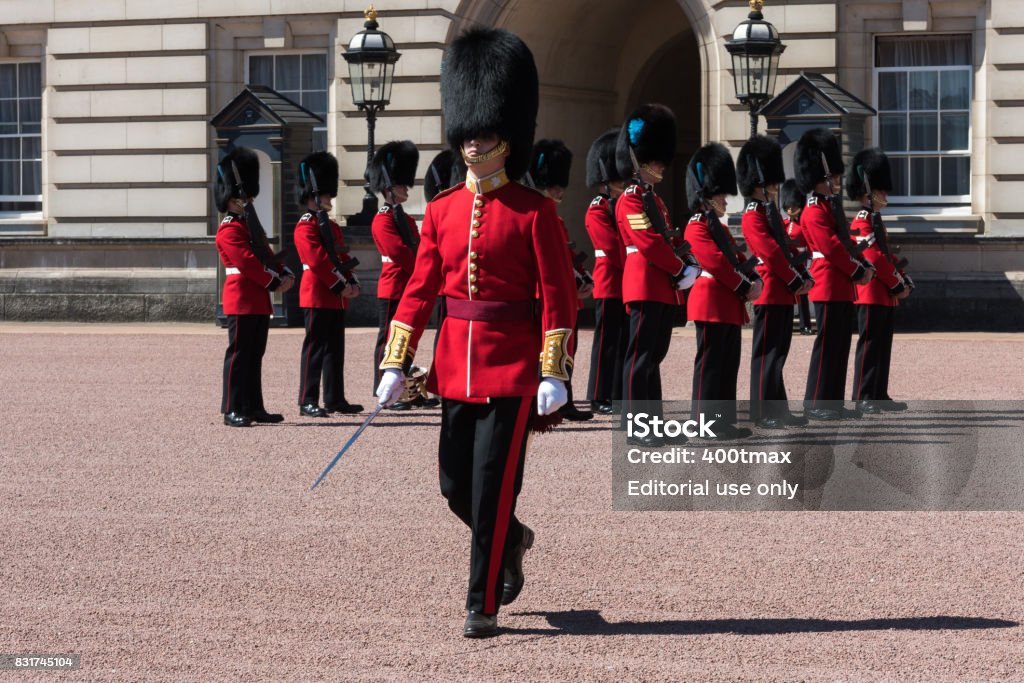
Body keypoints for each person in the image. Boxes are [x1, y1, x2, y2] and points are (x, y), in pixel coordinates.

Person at [374, 27, 577, 639]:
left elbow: (558, 295)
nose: (473, 142)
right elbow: (419, 289)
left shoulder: (534, 211)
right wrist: (395, 360)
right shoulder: (440, 211)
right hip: (454, 366)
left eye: (483, 132)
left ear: (504, 137)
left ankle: (481, 604)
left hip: (515, 368)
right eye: (467, 131)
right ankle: (514, 537)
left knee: (490, 488)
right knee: (454, 484)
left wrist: (553, 369)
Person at [615, 104, 700, 444]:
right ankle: (638, 428)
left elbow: (669, 236)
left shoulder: (656, 201)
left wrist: (689, 257)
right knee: (640, 357)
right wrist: (680, 268)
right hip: (644, 282)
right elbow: (648, 242)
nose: (660, 166)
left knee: (653, 357)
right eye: (654, 160)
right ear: (638, 160)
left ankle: (652, 424)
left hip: (661, 284)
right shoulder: (630, 200)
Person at [796, 128, 876, 421]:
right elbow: (830, 248)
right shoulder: (814, 210)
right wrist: (857, 270)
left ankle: (831, 401)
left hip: (840, 283)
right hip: (829, 282)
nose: (839, 182)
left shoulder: (829, 207)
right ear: (823, 177)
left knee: (840, 345)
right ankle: (816, 401)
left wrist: (861, 261)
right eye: (835, 177)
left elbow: (842, 244)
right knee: (828, 344)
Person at [683, 142, 760, 439]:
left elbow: (736, 257)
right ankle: (704, 423)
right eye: (721, 194)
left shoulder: (718, 227)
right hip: (711, 302)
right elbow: (714, 262)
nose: (726, 200)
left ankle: (721, 422)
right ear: (707, 194)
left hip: (727, 302)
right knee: (711, 365)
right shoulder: (696, 226)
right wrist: (744, 286)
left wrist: (755, 279)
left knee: (728, 365)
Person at [214, 147, 294, 427]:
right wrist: (274, 281)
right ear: (231, 198)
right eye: (241, 197)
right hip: (242, 298)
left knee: (255, 355)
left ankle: (253, 406)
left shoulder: (249, 227)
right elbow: (247, 262)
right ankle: (232, 408)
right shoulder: (229, 229)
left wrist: (285, 272)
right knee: (238, 355)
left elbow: (265, 254)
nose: (246, 201)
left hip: (258, 298)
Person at [737, 135, 812, 428]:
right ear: (758, 183)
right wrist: (794, 279)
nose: (773, 188)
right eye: (768, 183)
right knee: (767, 354)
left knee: (778, 354)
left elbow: (787, 247)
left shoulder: (770, 213)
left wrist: (801, 275)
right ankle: (762, 412)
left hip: (783, 290)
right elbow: (769, 253)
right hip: (770, 290)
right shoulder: (753, 215)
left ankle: (777, 409)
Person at [293, 151, 363, 417]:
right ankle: (307, 399)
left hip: (335, 295)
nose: (330, 199)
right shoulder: (306, 226)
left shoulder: (330, 226)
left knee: (335, 349)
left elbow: (340, 255)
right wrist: (340, 285)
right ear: (314, 194)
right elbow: (318, 260)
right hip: (318, 294)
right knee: (315, 349)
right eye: (326, 195)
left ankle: (335, 398)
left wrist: (352, 281)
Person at [528, 139, 593, 421]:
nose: (560, 191)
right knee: (543, 349)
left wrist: (581, 281)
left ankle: (564, 400)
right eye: (555, 185)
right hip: (542, 296)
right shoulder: (536, 216)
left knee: (568, 347)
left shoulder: (558, 220)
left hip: (566, 296)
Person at [846, 148, 911, 413]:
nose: (885, 194)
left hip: (884, 292)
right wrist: (896, 283)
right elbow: (872, 256)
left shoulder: (875, 219)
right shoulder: (862, 220)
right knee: (870, 344)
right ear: (868, 191)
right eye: (881, 190)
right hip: (872, 292)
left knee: (883, 345)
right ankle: (863, 395)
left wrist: (903, 279)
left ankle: (878, 392)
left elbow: (885, 256)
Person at [369, 140, 422, 410]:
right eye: (401, 185)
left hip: (408, 286)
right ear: (389, 187)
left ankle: (406, 390)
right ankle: (383, 387)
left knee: (405, 339)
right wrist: (423, 272)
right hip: (393, 287)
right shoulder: (383, 219)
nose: (406, 189)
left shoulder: (406, 219)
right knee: (388, 340)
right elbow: (399, 252)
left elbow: (418, 246)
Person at [584, 128, 628, 415]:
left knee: (623, 341)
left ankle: (617, 393)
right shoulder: (597, 210)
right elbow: (612, 248)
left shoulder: (620, 205)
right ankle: (599, 394)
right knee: (606, 343)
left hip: (626, 283)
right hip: (610, 282)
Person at [781, 179, 814, 335]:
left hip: (802, 260)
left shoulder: (804, 223)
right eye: (788, 206)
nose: (790, 209)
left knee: (803, 295)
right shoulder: (783, 224)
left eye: (793, 206)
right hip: (788, 261)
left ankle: (805, 324)